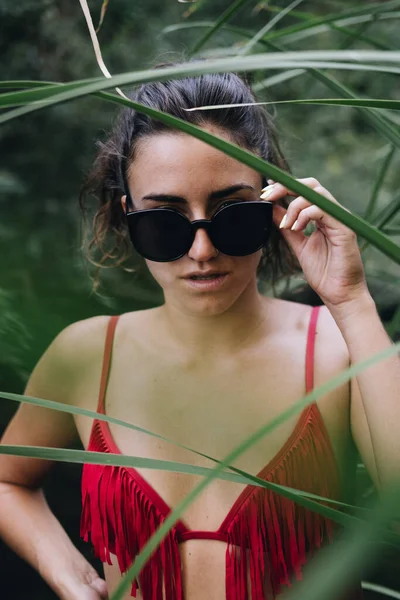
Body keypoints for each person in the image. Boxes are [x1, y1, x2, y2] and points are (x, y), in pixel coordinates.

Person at [0, 71, 399, 600]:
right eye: (165, 222)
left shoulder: (338, 348)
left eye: (232, 213)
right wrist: (71, 578)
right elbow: (8, 480)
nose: (203, 250)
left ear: (274, 203)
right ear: (129, 217)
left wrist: (351, 301)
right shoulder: (87, 354)